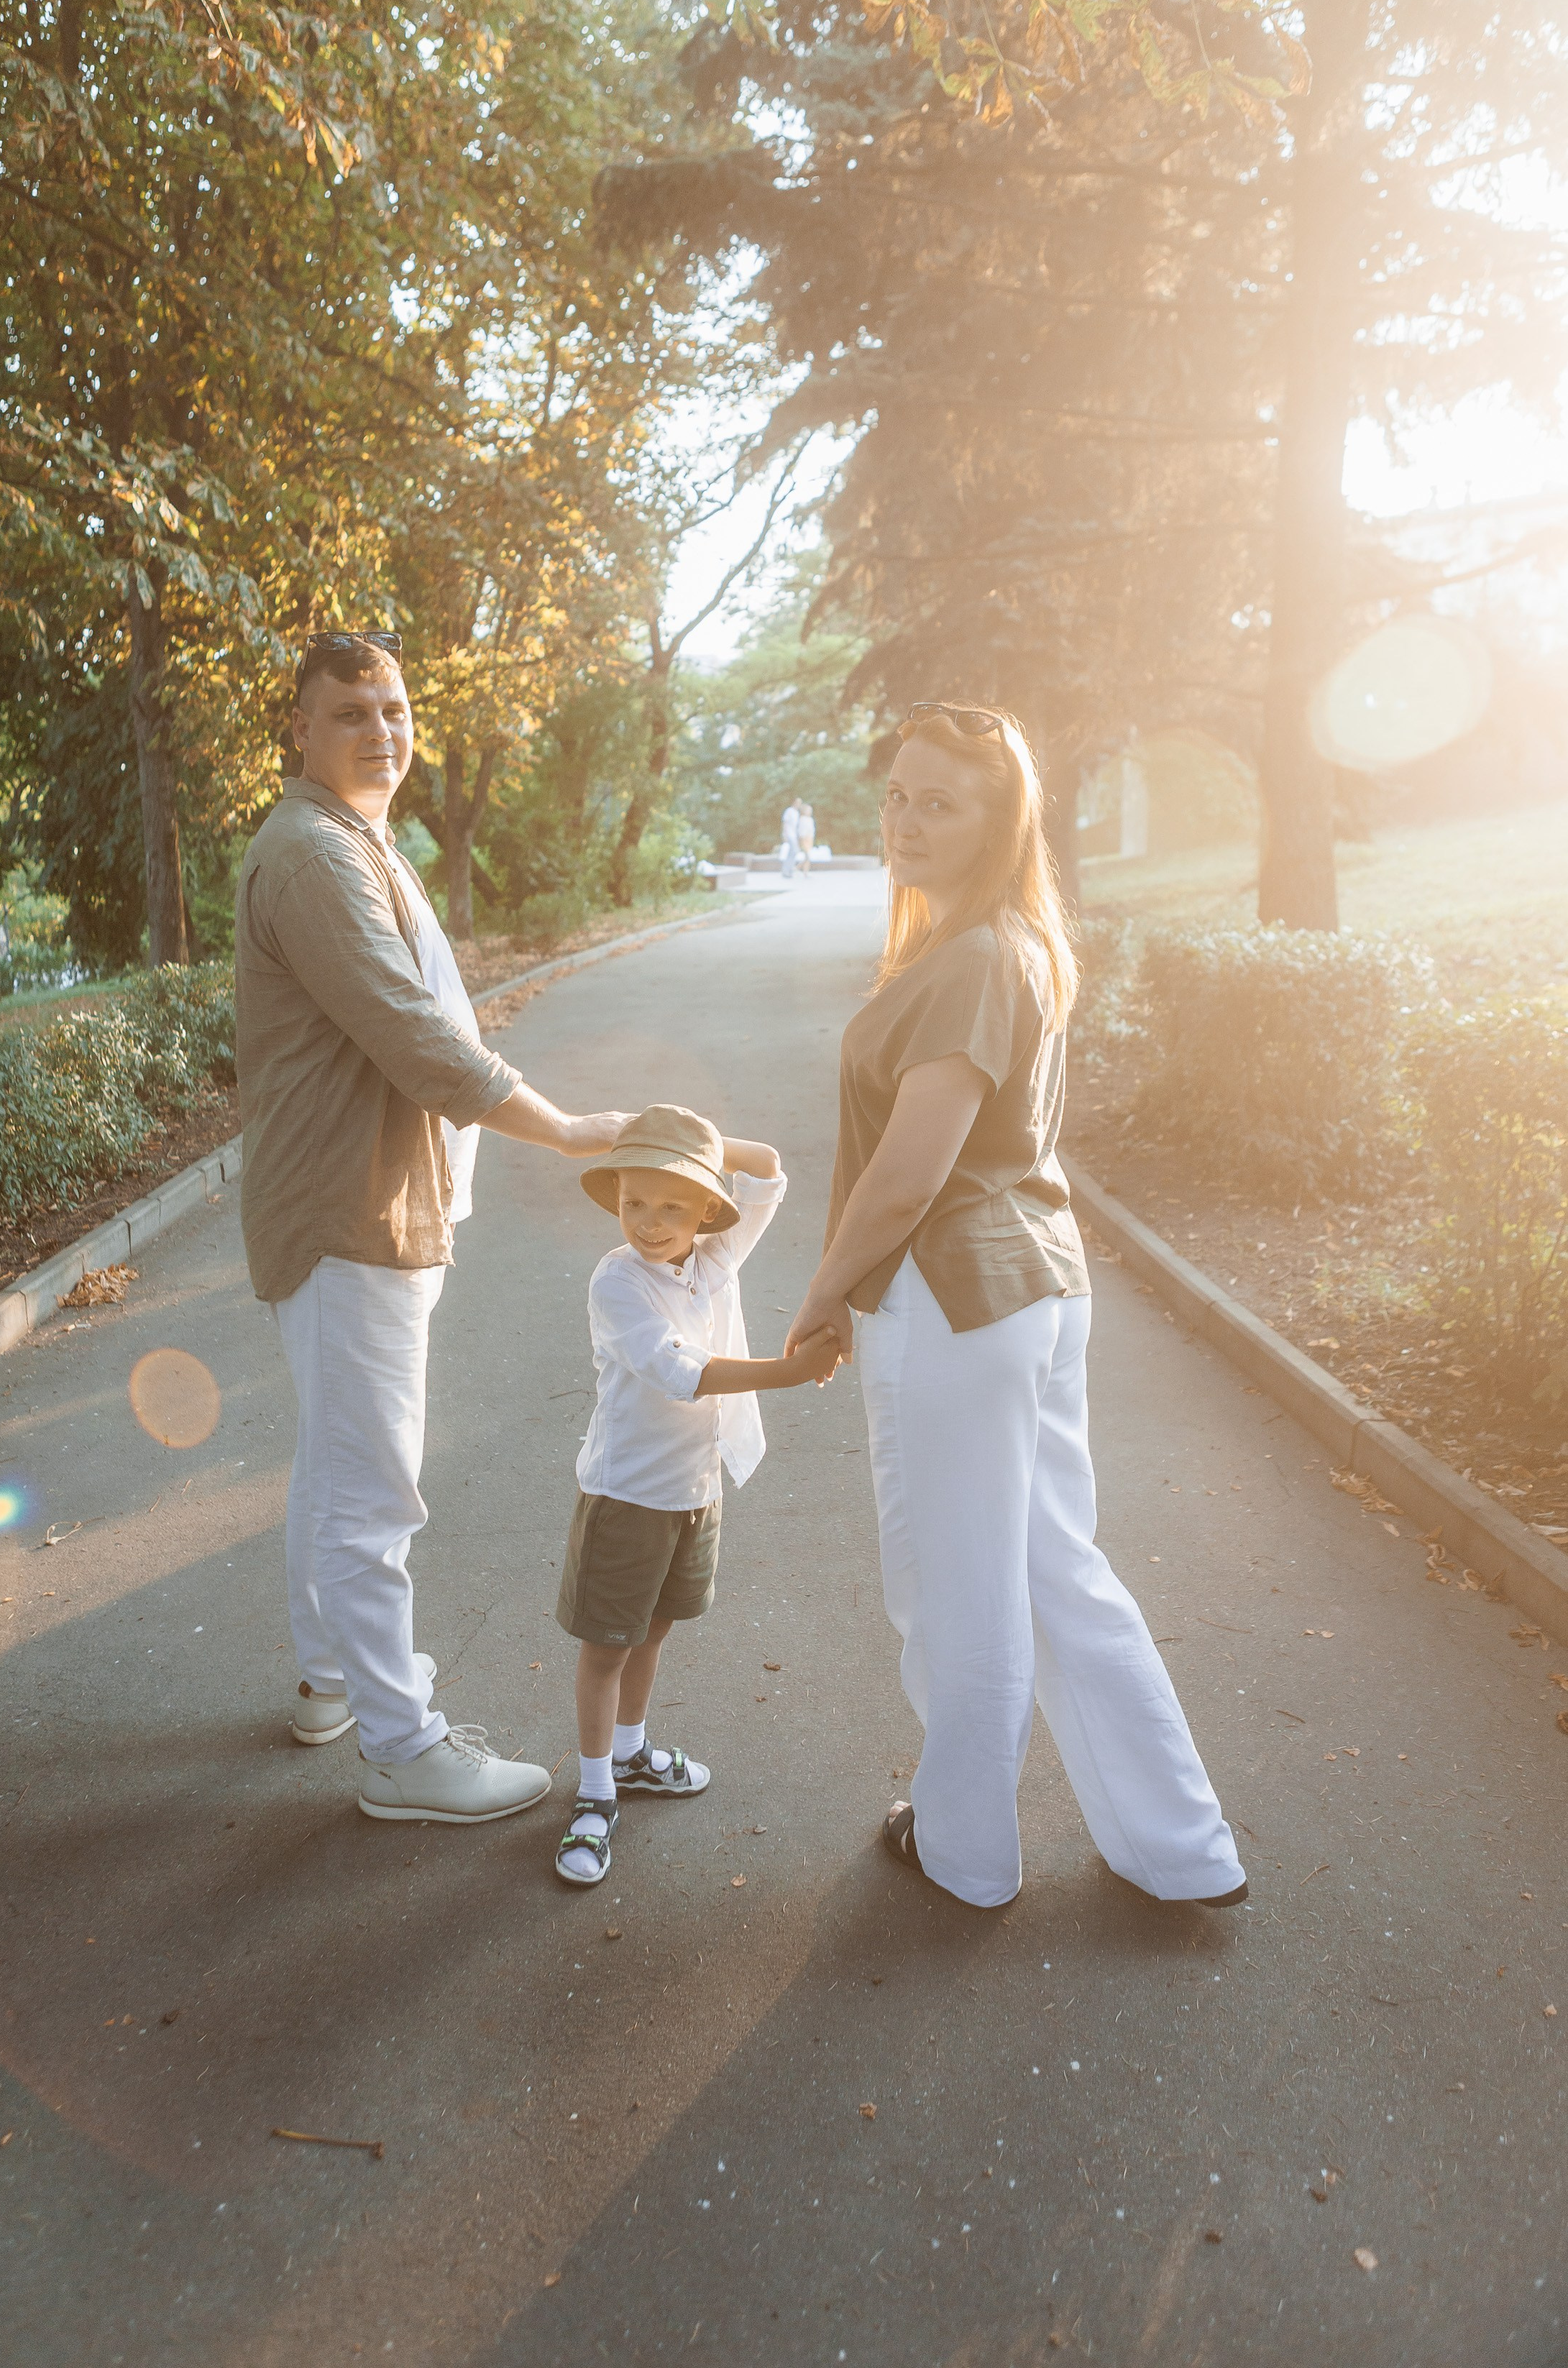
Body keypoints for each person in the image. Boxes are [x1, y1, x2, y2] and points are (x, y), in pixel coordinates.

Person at [784, 702, 1246, 1912]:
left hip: (954, 1304)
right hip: (1019, 1291)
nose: (905, 820)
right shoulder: (992, 942)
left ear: (1001, 820)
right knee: (1048, 1571)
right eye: (896, 792)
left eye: (940, 800)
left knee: (960, 1584)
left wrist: (821, 1293)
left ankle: (967, 1850)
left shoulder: (981, 954)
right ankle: (1179, 1847)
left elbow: (907, 1175)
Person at [234, 628, 630, 1827]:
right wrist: (569, 1131)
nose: (381, 728)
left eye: (395, 706)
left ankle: (327, 1677)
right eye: (350, 710)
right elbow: (417, 1036)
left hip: (367, 1203)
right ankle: (401, 1744)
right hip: (348, 1212)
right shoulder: (314, 855)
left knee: (336, 1463)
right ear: (298, 730)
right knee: (372, 1486)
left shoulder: (358, 840)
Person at [551, 1106, 841, 1886]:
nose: (648, 1222)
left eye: (672, 1205)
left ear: (708, 1209)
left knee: (653, 1630)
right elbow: (684, 1371)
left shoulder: (710, 1261)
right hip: (629, 1493)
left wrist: (682, 1134)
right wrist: (788, 1371)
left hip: (693, 1487)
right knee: (607, 1644)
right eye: (633, 1202)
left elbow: (769, 1165)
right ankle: (592, 1792)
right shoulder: (618, 1281)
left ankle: (632, 1752)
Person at [779, 798, 802, 881]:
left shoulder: (797, 813)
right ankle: (786, 870)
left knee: (793, 852)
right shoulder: (789, 811)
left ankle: (789, 869)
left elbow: (796, 826)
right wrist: (784, 834)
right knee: (793, 851)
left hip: (794, 835)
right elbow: (785, 823)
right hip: (789, 834)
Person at [796, 799, 817, 873]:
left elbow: (812, 830)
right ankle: (798, 868)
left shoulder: (810, 819)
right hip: (804, 838)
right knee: (807, 856)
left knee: (808, 856)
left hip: (810, 838)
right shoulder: (802, 819)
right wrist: (801, 839)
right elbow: (801, 831)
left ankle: (805, 871)